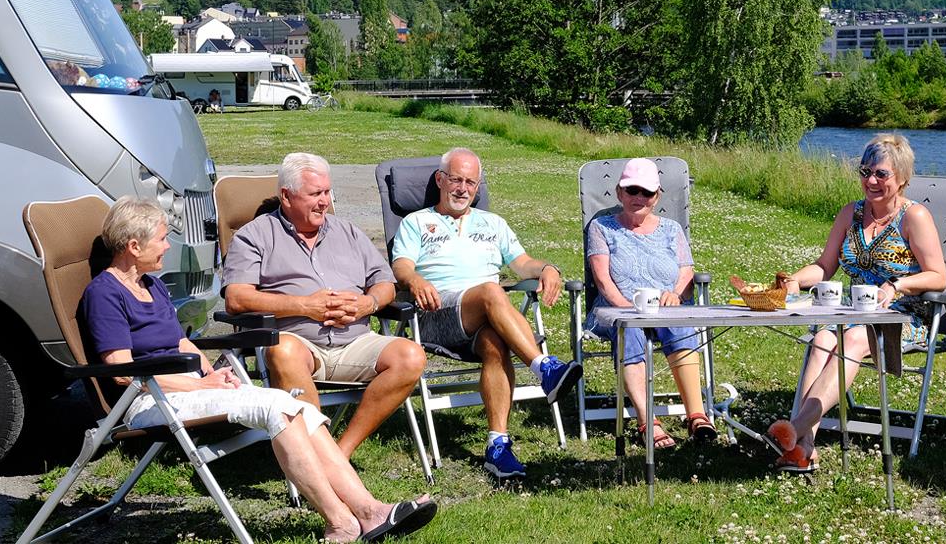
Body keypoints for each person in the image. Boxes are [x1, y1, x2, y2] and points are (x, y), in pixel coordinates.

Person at [81, 198, 435, 543]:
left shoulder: (151, 285)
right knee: (276, 407)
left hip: (188, 388)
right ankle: (341, 521)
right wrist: (203, 388)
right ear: (132, 246)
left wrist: (210, 376)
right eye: (160, 239)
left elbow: (182, 344)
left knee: (299, 409)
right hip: (147, 400)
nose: (166, 247)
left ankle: (370, 509)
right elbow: (122, 372)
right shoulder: (105, 294)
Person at [390, 147, 582, 479]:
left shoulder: (493, 223)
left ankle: (498, 445)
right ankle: (543, 368)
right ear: (440, 180)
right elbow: (402, 265)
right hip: (438, 314)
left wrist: (547, 267)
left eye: (470, 182)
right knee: (492, 290)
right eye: (455, 180)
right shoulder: (417, 222)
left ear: (477, 187)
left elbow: (522, 264)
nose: (462, 189)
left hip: (486, 320)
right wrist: (415, 279)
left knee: (496, 341)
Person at [223, 153, 428, 459]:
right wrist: (304, 306)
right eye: (315, 194)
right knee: (284, 349)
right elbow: (237, 298)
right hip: (300, 345)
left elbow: (384, 283)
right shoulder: (256, 235)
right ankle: (316, 459)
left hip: (356, 341)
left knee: (411, 355)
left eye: (327, 192)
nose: (324, 202)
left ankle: (338, 454)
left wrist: (367, 303)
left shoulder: (347, 232)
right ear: (287, 196)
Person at [766, 133, 946, 473]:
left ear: (903, 178)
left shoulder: (914, 217)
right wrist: (796, 279)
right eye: (865, 172)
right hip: (854, 312)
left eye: (881, 174)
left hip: (904, 317)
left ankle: (794, 430)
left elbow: (939, 276)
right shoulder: (851, 213)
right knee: (822, 338)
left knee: (852, 338)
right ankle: (802, 446)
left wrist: (898, 284)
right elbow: (825, 266)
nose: (871, 181)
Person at [583, 157, 717, 449]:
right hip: (615, 308)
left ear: (657, 197)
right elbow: (603, 280)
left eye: (646, 192)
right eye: (632, 191)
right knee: (629, 329)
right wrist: (629, 311)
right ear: (620, 193)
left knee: (679, 321)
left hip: (663, 307)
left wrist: (677, 293)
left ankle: (697, 416)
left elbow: (686, 270)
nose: (638, 198)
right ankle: (649, 421)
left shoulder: (671, 229)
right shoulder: (602, 228)